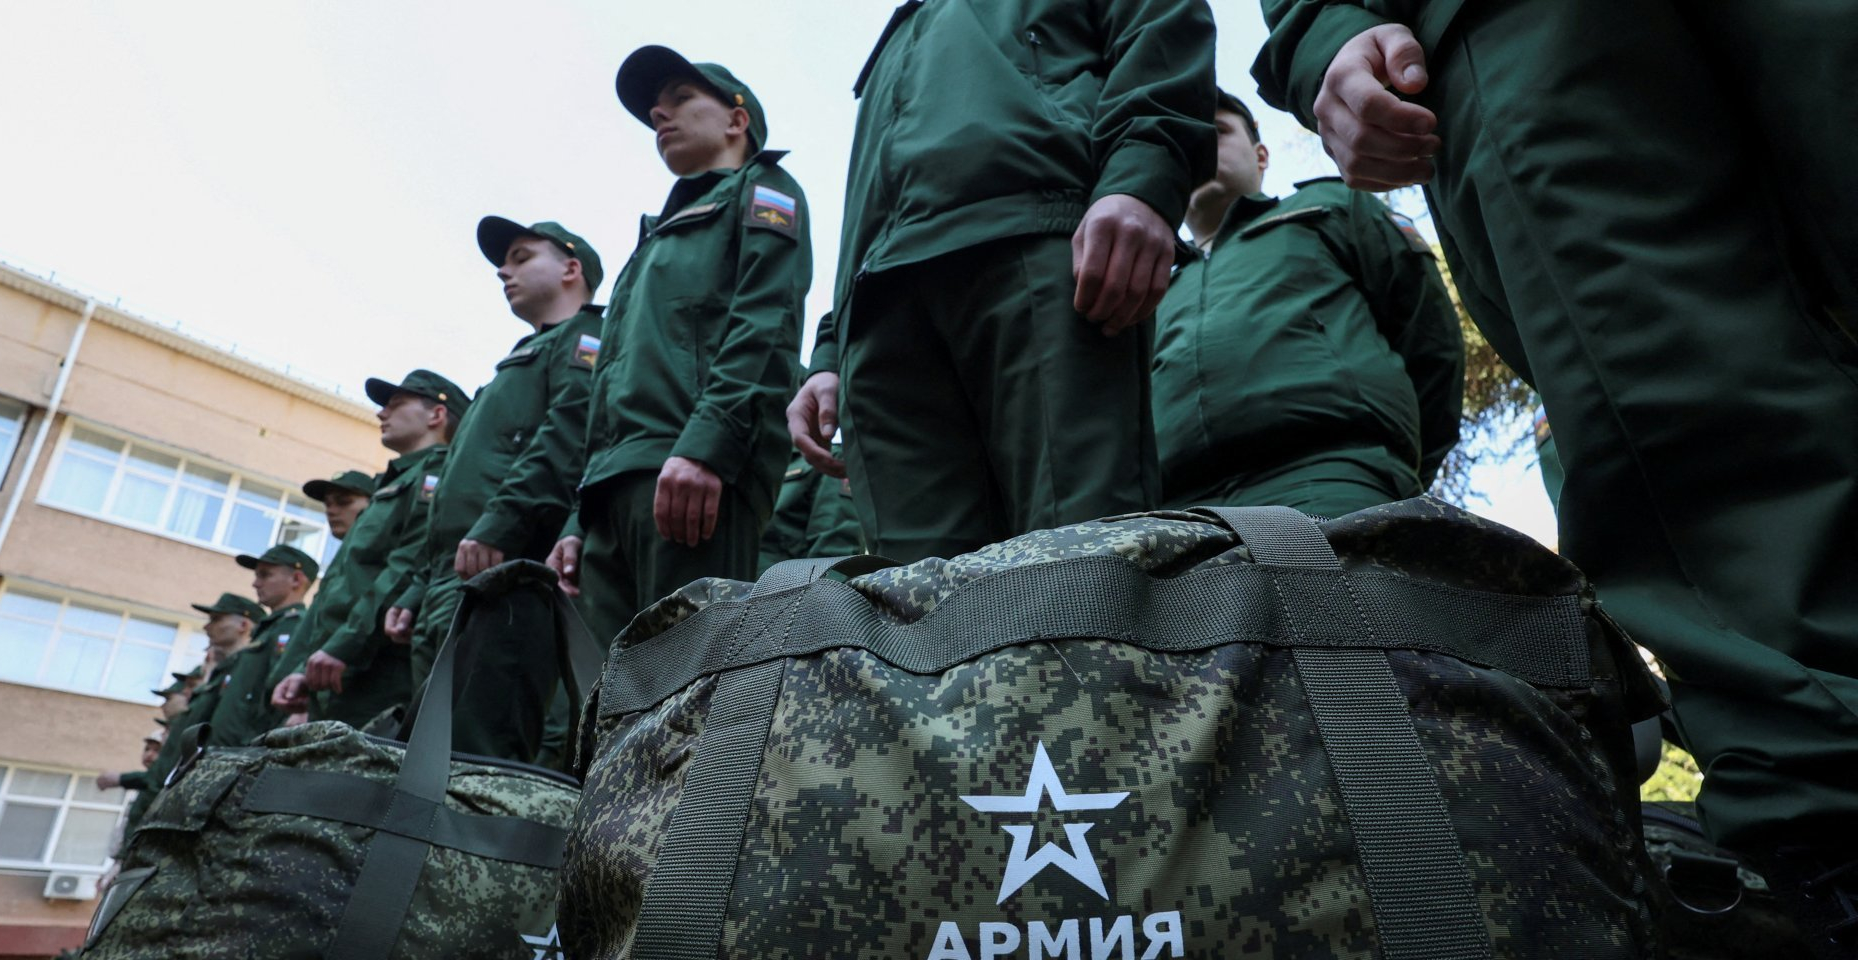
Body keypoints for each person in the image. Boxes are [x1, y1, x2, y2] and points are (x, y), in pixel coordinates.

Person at [1252, 1, 1858, 949]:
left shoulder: (1322, 225)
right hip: (1522, 24)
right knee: (1692, 415)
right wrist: (1325, 32)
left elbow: (1424, 352)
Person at [784, 0, 1216, 564]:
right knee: (920, 607)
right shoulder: (903, 29)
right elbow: (868, 203)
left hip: (1034, 241)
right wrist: (830, 350)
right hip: (883, 309)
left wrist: (1140, 180)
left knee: (1082, 564)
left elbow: (1159, 28)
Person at [556, 45, 808, 646]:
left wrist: (708, 447)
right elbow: (609, 384)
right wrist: (578, 515)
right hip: (615, 487)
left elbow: (765, 324)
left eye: (680, 99)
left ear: (736, 120)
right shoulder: (651, 241)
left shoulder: (764, 189)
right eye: (654, 112)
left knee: (689, 693)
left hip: (691, 474)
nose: (659, 116)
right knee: (602, 708)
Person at [1152, 89, 1461, 516]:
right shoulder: (1149, 283)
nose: (1200, 146)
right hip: (1174, 515)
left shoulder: (1330, 207)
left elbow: (1430, 342)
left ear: (1261, 156)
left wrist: (1390, 469)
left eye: (1218, 131)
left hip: (1333, 481)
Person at [386, 218, 603, 763]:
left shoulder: (585, 339)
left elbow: (567, 438)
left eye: (522, 256)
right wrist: (418, 592)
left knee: (480, 753)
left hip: (511, 566)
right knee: (424, 756)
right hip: (455, 576)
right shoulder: (510, 368)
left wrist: (501, 524)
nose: (504, 271)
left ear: (571, 269)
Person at [276, 373, 467, 727]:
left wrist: (341, 648)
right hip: (340, 669)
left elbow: (407, 566)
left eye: (395, 405)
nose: (381, 414)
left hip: (377, 664)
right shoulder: (391, 486)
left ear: (436, 415)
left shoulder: (437, 472)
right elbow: (341, 590)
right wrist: (309, 665)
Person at [121, 593, 263, 836]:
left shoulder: (248, 667)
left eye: (217, 619)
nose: (208, 627)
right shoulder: (223, 675)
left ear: (244, 625)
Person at [267, 469, 373, 725]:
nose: (331, 510)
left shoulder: (366, 560)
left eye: (344, 502)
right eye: (327, 504)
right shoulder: (343, 559)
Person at [204, 545, 316, 747]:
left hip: (250, 750)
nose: (256, 583)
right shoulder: (266, 631)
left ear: (296, 579)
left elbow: (283, 693)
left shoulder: (295, 625)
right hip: (228, 751)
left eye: (265, 575)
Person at [757, 443, 865, 569]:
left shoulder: (824, 457)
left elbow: (834, 549)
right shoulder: (751, 461)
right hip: (735, 582)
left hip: (778, 583)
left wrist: (823, 587)